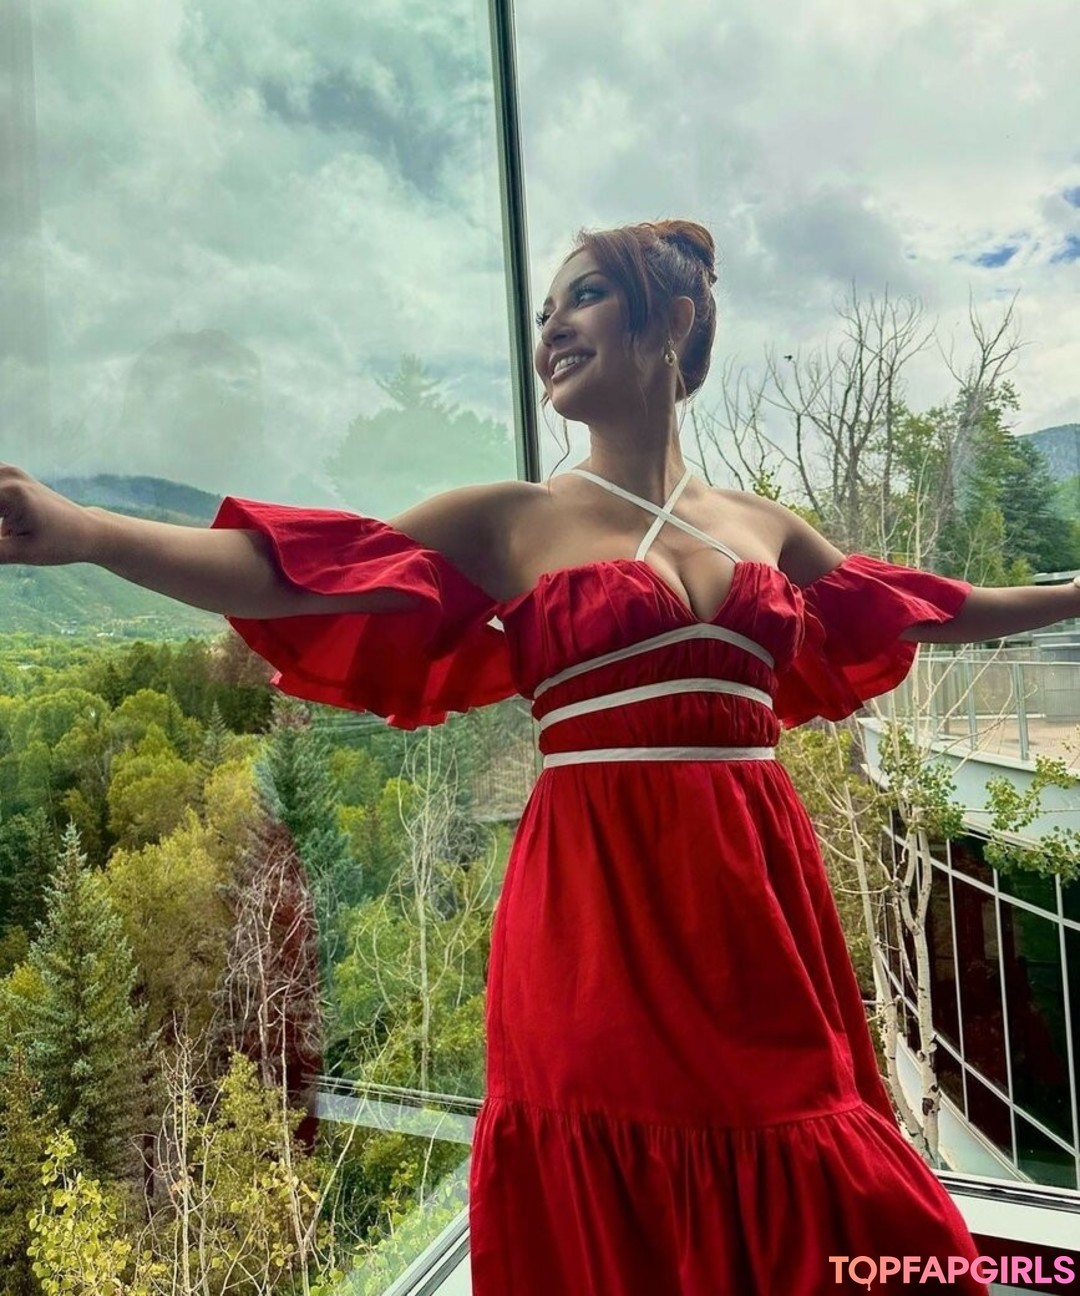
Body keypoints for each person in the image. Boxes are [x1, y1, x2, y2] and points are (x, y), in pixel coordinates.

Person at [4, 218, 1075, 1294]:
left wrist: (1072, 595)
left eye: (586, 296)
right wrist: (88, 531)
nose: (551, 328)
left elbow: (924, 607)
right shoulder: (512, 518)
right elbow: (291, 572)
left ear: (673, 323)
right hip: (595, 904)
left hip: (756, 904)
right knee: (611, 1165)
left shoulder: (765, 527)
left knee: (806, 1147)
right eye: (543, 312)